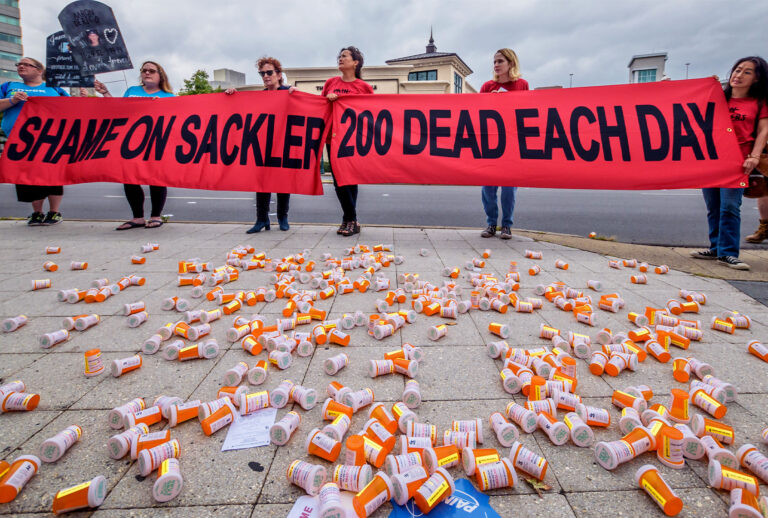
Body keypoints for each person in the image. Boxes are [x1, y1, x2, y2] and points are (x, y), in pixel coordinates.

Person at [691, 57, 768, 269]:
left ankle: (728, 253)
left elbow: (763, 131)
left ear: (757, 78)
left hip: (738, 163)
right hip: (712, 160)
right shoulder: (718, 98)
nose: (738, 75)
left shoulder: (758, 103)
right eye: (737, 70)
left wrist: (754, 155)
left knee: (730, 207)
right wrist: (704, 86)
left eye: (747, 72)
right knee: (713, 207)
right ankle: (715, 248)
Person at [92, 61, 175, 230]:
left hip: (156, 141)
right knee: (129, 178)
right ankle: (137, 217)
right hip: (130, 142)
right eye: (144, 70)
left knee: (156, 178)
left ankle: (155, 216)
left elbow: (176, 120)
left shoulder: (170, 96)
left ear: (161, 75)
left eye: (151, 70)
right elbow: (118, 111)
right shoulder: (131, 91)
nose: (147, 73)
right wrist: (106, 93)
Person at [226, 57, 296, 234]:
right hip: (262, 144)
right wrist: (232, 96)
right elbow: (242, 108)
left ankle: (282, 217)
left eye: (269, 72)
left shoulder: (289, 92)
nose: (265, 76)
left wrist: (297, 93)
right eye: (262, 73)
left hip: (283, 143)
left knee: (282, 182)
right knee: (262, 183)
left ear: (279, 75)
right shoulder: (258, 96)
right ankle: (261, 219)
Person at [0, 57, 69, 226]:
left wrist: (82, 98)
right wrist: (12, 100)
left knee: (52, 176)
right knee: (28, 177)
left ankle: (54, 212)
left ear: (39, 70)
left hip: (49, 140)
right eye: (19, 64)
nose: (21, 66)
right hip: (20, 141)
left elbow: (72, 109)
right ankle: (37, 212)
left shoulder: (54, 89)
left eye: (26, 64)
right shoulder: (9, 87)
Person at [323, 46, 374, 236]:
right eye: (339, 56)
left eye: (345, 56)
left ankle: (349, 220)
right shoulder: (330, 83)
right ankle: (351, 219)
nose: (340, 58)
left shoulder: (364, 87)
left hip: (354, 140)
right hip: (333, 137)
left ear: (356, 62)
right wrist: (328, 100)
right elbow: (319, 108)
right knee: (339, 181)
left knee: (350, 179)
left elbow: (372, 113)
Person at [479, 48, 529, 239]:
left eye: (500, 61)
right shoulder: (487, 86)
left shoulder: (521, 85)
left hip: (512, 146)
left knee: (509, 189)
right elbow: (478, 113)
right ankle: (491, 224)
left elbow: (527, 112)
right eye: (494, 62)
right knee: (488, 188)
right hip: (491, 145)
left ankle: (506, 225)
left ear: (511, 63)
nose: (496, 65)